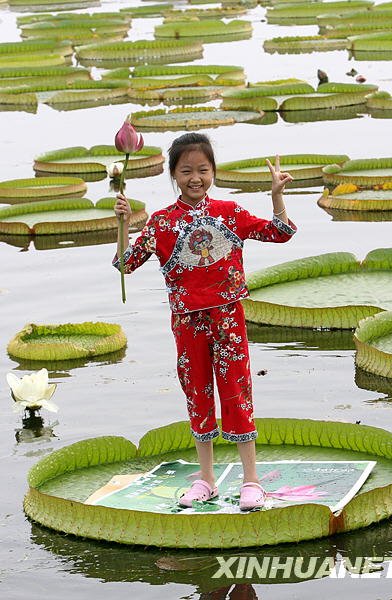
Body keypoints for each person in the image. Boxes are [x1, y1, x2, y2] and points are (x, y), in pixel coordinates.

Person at [113, 133, 297, 511]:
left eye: (203, 170)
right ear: (173, 175)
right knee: (197, 395)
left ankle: (251, 482)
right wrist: (124, 223)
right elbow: (126, 264)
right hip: (187, 324)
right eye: (186, 171)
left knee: (237, 392)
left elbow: (279, 233)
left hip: (229, 317)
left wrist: (277, 195)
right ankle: (207, 480)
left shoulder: (230, 212)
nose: (195, 178)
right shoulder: (161, 222)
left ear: (213, 171)